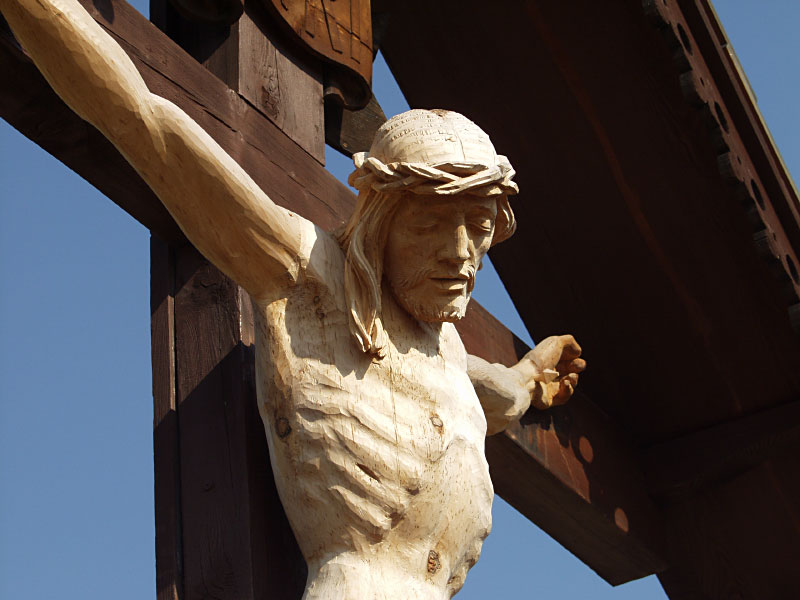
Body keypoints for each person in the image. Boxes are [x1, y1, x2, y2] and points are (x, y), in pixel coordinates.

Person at [1, 0, 585, 597]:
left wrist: (530, 379)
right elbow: (145, 126)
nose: (461, 253)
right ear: (380, 220)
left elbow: (497, 393)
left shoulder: (449, 356)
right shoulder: (307, 277)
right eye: (431, 225)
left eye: (479, 227)